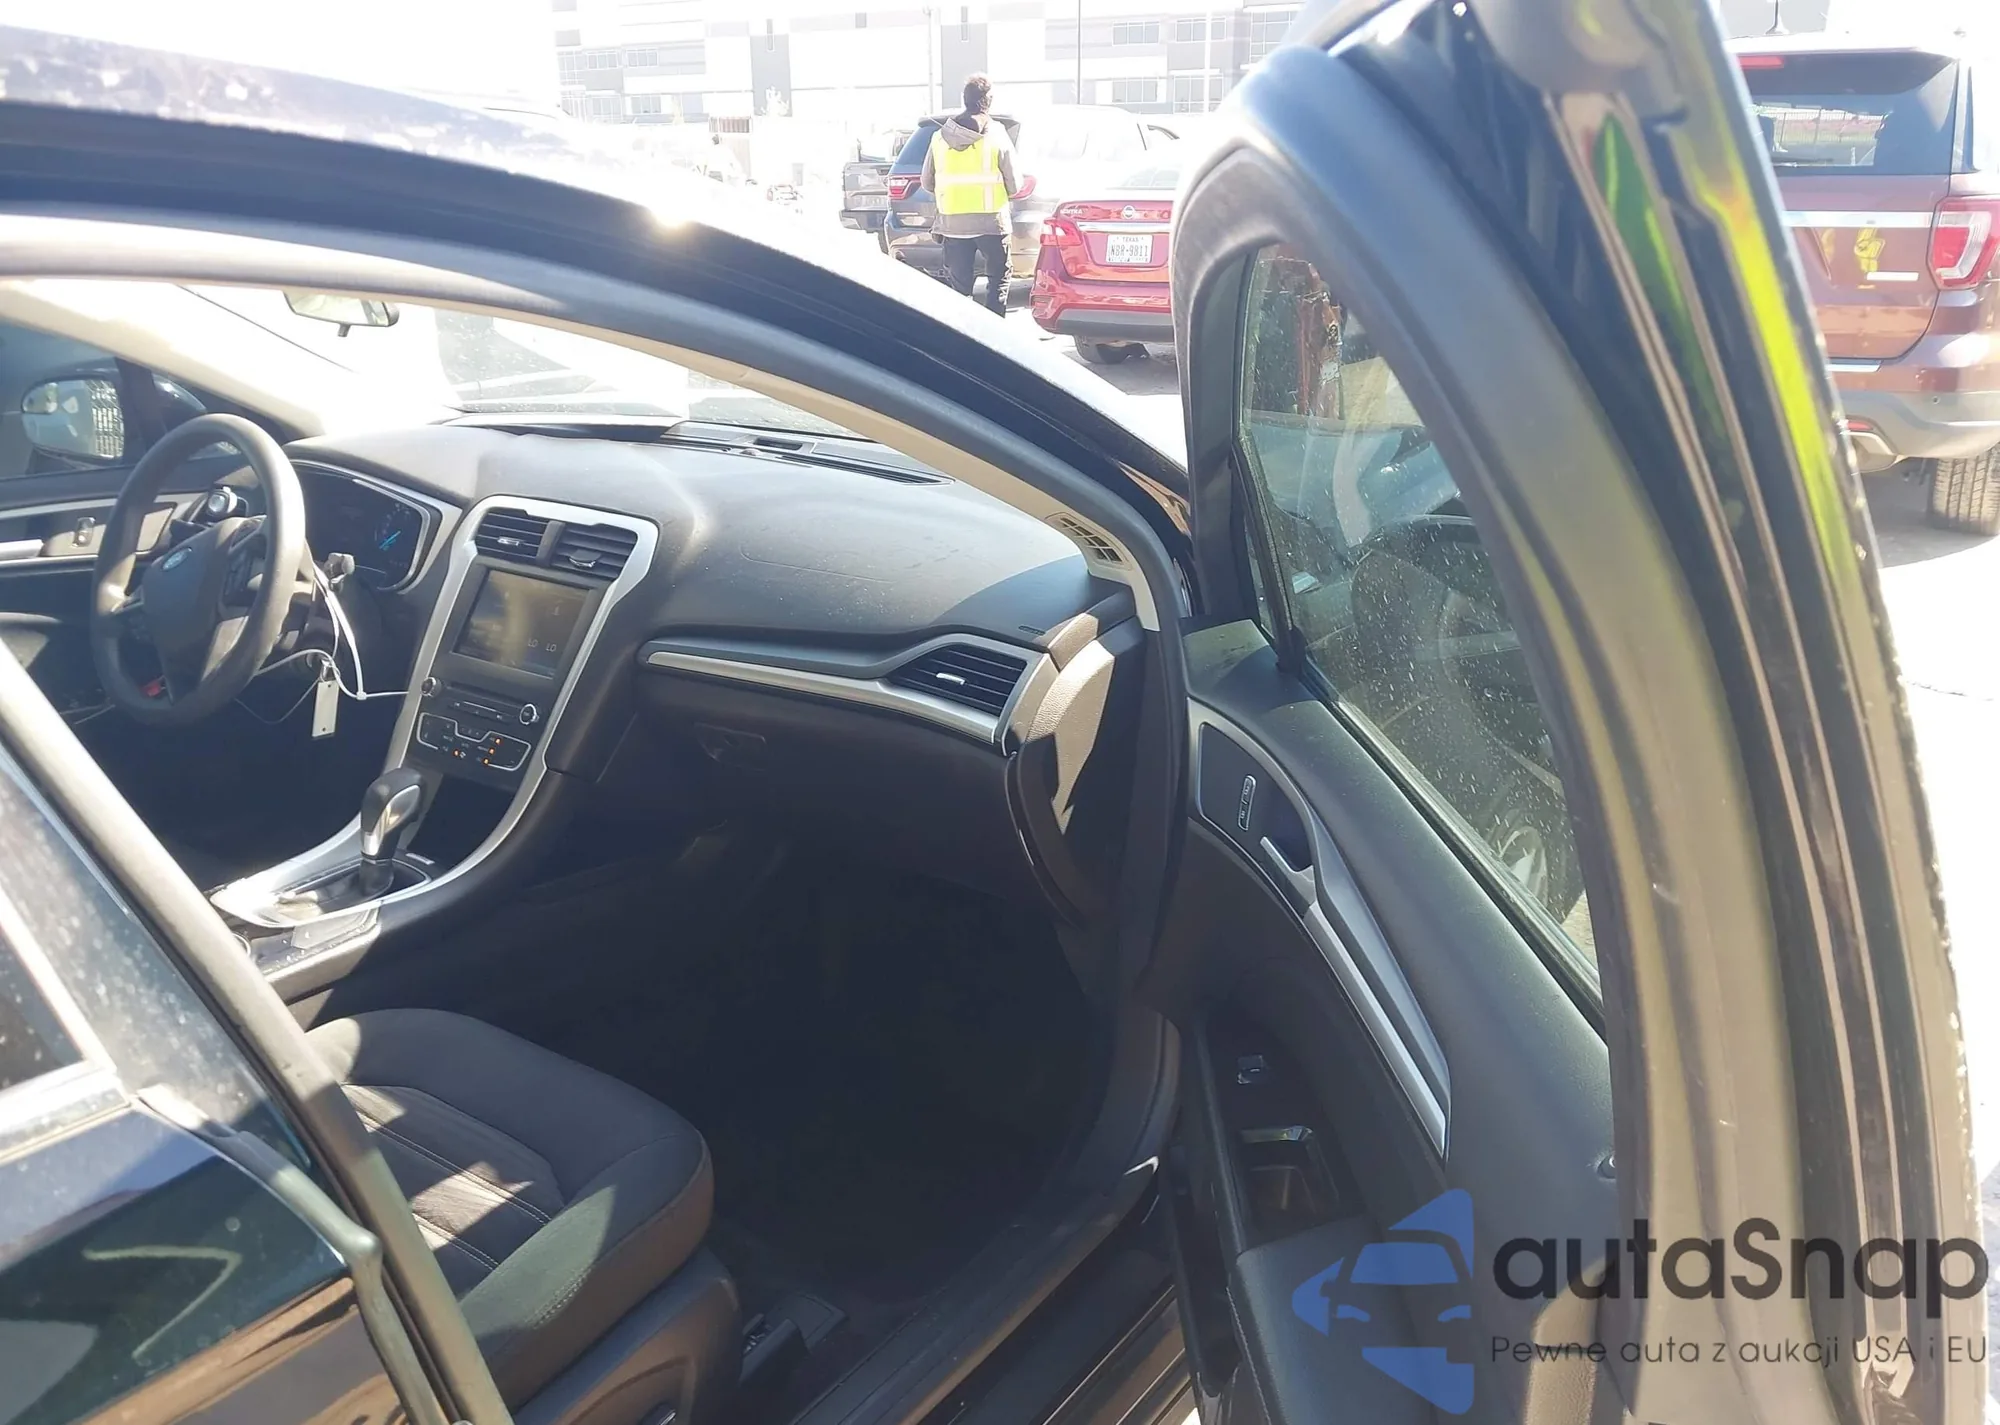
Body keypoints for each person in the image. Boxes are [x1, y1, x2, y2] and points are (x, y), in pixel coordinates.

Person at [921, 75, 1023, 315]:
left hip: (952, 225)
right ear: (989, 100)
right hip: (992, 224)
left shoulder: (939, 137)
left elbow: (927, 182)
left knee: (959, 290)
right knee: (998, 279)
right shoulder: (997, 134)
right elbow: (1015, 185)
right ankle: (995, 329)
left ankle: (962, 332)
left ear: (964, 99)